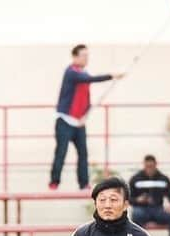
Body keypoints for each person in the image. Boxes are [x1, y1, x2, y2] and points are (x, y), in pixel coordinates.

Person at [49, 44, 123, 191]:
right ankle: (54, 182)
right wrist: (111, 76)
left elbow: (86, 97)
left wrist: (85, 115)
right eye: (83, 55)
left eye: (87, 55)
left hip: (79, 122)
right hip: (65, 120)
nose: (86, 58)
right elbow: (89, 79)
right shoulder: (71, 72)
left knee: (83, 154)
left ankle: (83, 184)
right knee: (61, 152)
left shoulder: (84, 74)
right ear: (75, 57)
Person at [129, 154, 170, 236]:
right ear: (144, 165)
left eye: (151, 167)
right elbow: (129, 199)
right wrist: (138, 200)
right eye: (147, 167)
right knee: (135, 216)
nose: (149, 169)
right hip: (141, 209)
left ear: (156, 165)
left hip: (158, 209)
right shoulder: (135, 179)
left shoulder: (164, 179)